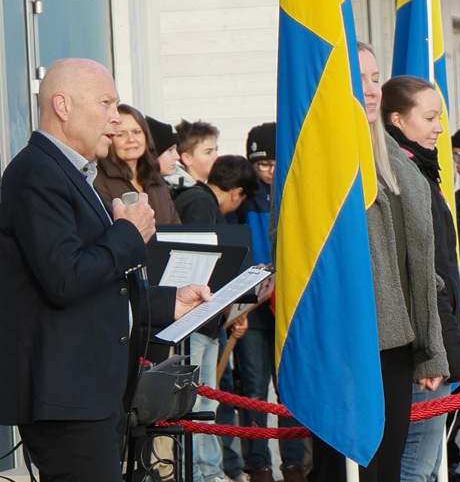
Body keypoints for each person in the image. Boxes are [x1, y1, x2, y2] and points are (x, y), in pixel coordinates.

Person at [0, 57, 212, 482]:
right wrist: (128, 234)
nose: (115, 119)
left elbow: (102, 285)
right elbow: (65, 279)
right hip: (67, 399)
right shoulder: (37, 173)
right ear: (63, 105)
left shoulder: (73, 174)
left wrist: (169, 302)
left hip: (93, 396)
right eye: (105, 103)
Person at [308, 42, 449, 482]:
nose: (371, 89)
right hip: (348, 347)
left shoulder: (400, 165)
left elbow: (419, 269)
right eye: (359, 78)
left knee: (387, 472)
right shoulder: (322, 159)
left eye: (374, 78)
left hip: (397, 348)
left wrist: (431, 354)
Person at [380, 75, 460, 482]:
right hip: (421, 345)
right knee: (416, 467)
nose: (439, 128)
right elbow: (421, 276)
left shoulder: (419, 169)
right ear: (397, 120)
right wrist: (445, 350)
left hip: (428, 338)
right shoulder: (402, 177)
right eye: (430, 117)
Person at [231, 122, 308, 482]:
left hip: (288, 306)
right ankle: (257, 461)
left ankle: (294, 461)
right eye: (262, 165)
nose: (269, 171)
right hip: (251, 308)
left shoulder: (297, 190)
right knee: (254, 388)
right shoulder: (242, 198)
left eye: (275, 163)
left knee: (290, 385)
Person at [175, 155, 255, 482]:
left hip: (205, 318)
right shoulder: (199, 204)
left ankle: (209, 470)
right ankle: (202, 472)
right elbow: (200, 266)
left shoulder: (195, 200)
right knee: (198, 402)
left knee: (206, 400)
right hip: (193, 318)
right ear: (236, 192)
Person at [94, 103, 181, 224]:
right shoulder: (97, 181)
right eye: (121, 134)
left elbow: (175, 227)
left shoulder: (157, 180)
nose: (131, 139)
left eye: (136, 132)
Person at [165, 118, 220, 191]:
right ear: (187, 159)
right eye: (208, 152)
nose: (216, 157)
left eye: (216, 150)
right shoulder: (181, 191)